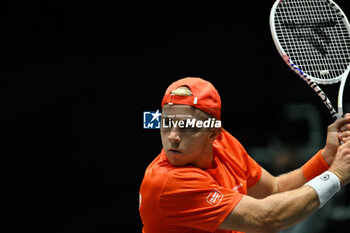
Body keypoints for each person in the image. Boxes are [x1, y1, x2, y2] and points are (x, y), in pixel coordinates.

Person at [139, 77, 350, 233]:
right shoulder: (168, 182)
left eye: (185, 126)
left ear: (212, 133)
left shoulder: (225, 144)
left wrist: (326, 158)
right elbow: (267, 218)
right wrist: (335, 176)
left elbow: (273, 189)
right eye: (167, 123)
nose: (172, 137)